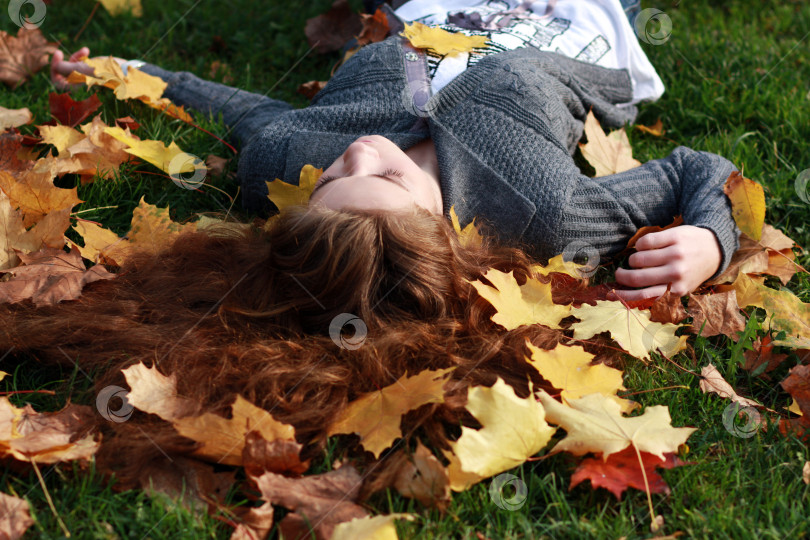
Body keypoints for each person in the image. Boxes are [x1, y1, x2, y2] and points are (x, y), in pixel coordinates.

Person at [50, 0, 741, 305]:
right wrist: (710, 239)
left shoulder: (287, 161)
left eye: (330, 181)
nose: (358, 153)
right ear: (442, 235)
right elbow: (699, 171)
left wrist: (127, 71)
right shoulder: (547, 215)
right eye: (382, 175)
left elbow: (246, 111)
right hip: (575, 12)